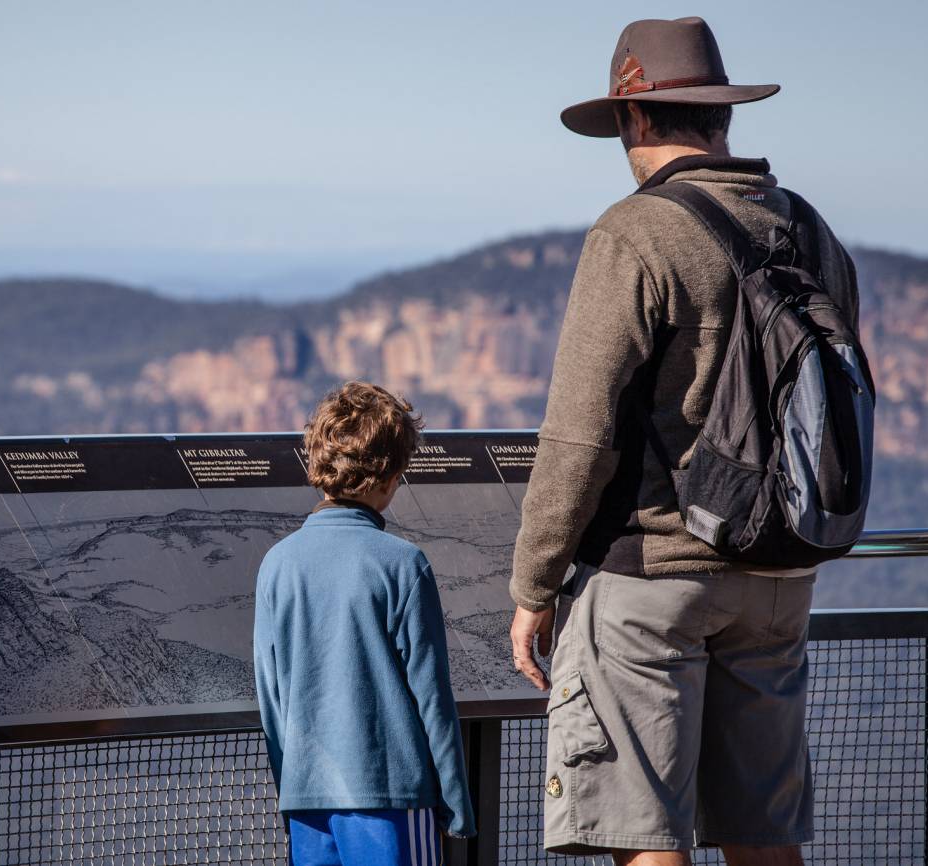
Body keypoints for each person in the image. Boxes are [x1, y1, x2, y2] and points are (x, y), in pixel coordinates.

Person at [507, 17, 860, 866]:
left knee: (644, 834)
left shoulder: (635, 233)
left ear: (632, 118)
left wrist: (533, 584)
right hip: (781, 570)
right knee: (762, 836)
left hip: (652, 577)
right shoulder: (809, 230)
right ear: (721, 116)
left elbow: (580, 434)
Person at [254, 381, 477, 866]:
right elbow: (431, 694)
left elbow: (270, 696)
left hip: (307, 799)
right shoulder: (402, 564)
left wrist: (291, 783)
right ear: (388, 474)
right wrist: (456, 802)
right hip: (393, 798)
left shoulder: (277, 563)